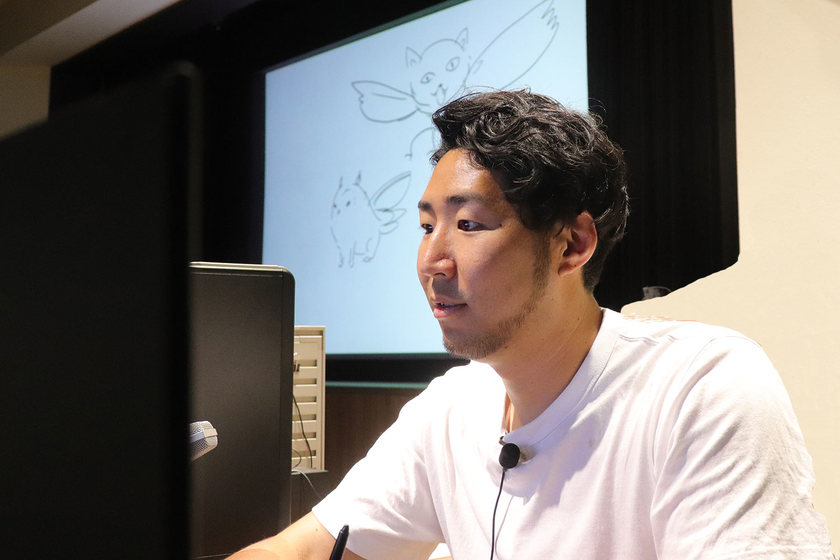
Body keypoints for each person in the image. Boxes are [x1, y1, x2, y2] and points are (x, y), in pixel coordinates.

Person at [230, 90, 833, 559]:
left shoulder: (700, 386)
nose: (432, 260)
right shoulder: (451, 407)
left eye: (469, 225)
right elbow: (295, 550)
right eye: (426, 227)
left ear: (572, 244)